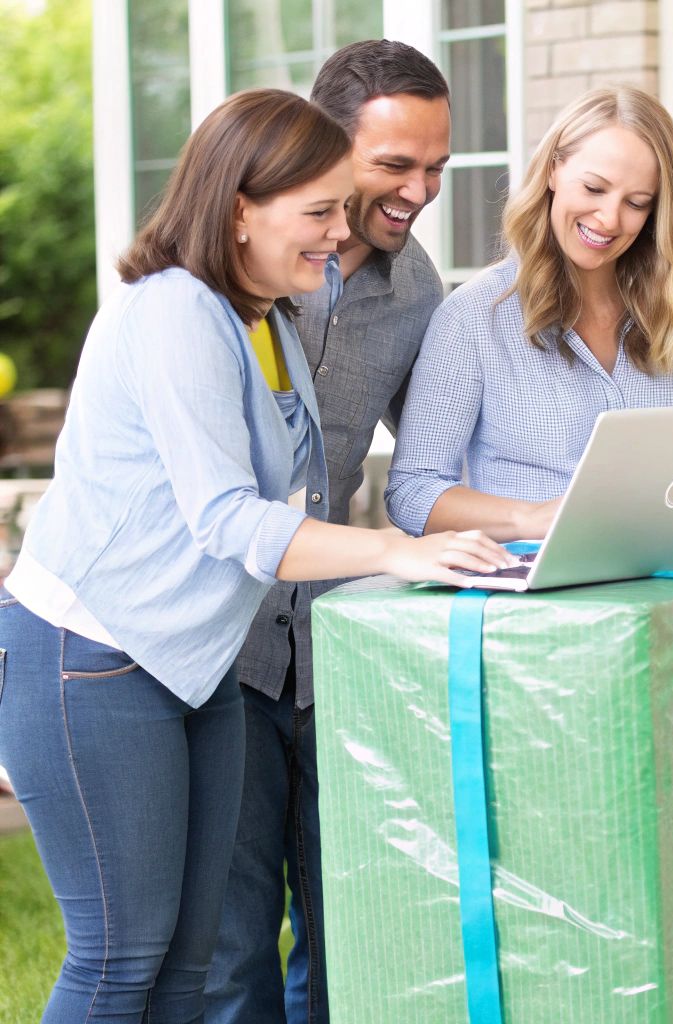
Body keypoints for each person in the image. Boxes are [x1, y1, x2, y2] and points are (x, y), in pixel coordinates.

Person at [0, 88, 513, 1024]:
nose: (338, 233)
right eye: (318, 213)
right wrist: (399, 553)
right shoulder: (175, 314)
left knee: (188, 971)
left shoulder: (267, 321)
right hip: (92, 657)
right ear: (240, 208)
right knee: (121, 963)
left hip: (197, 671)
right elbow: (230, 520)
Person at [205, 41, 451, 1024]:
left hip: (329, 651)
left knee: (349, 923)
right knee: (230, 942)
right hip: (215, 649)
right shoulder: (218, 280)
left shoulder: (415, 289)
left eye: (435, 166)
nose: (420, 191)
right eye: (396, 165)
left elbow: (435, 463)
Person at [386, 87, 673, 539]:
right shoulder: (472, 319)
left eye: (637, 203)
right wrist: (529, 519)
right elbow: (412, 491)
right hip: (537, 598)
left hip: (669, 591)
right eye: (594, 188)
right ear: (555, 169)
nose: (609, 219)